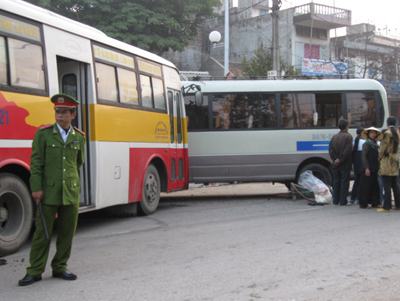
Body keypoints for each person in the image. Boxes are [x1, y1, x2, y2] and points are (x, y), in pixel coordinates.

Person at [18, 94, 85, 286]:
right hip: (48, 192)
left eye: (64, 112)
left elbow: (77, 163)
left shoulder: (79, 137)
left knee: (66, 233)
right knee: (43, 233)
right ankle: (35, 270)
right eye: (57, 111)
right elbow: (36, 163)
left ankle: (60, 267)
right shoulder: (43, 134)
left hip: (70, 192)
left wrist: (72, 185)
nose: (59, 116)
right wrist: (36, 187)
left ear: (73, 114)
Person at [377, 116, 400, 212]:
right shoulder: (398, 132)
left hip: (387, 162)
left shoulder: (386, 133)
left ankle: (387, 206)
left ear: (387, 123)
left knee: (386, 186)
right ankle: (398, 205)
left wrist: (379, 156)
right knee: (396, 185)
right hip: (396, 161)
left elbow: (382, 148)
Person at [329, 118, 353, 205]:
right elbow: (347, 150)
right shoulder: (348, 136)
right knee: (344, 182)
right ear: (346, 126)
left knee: (336, 182)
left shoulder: (334, 137)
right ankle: (343, 201)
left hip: (335, 164)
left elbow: (330, 150)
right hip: (345, 163)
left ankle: (335, 200)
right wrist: (341, 159)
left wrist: (335, 159)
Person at [358, 127, 381, 209]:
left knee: (375, 186)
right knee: (366, 187)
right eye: (371, 133)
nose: (373, 134)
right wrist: (366, 168)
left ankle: (375, 202)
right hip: (368, 168)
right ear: (368, 134)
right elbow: (364, 156)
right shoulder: (366, 143)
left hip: (375, 167)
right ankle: (363, 203)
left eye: (374, 133)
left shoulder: (375, 143)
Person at [350, 127, 364, 205]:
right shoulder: (360, 141)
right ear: (361, 133)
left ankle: (353, 198)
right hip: (360, 164)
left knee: (357, 181)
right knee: (359, 181)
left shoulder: (356, 140)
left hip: (356, 164)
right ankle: (358, 198)